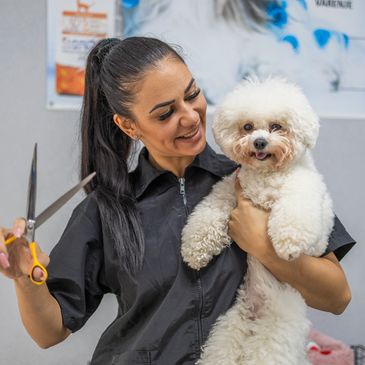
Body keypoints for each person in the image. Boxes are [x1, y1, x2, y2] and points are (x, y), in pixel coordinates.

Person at [0, 37, 356, 365]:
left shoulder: (260, 176)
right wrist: (24, 279)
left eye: (192, 94)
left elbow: (336, 297)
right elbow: (50, 332)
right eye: (165, 113)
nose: (189, 116)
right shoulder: (104, 210)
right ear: (129, 126)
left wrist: (263, 247)